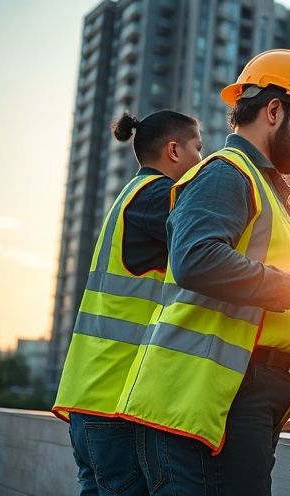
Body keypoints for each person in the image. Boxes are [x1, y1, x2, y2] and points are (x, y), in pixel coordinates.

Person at [119, 49, 290, 496]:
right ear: (274, 110)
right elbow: (196, 259)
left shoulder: (269, 194)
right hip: (211, 402)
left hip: (243, 398)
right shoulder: (225, 175)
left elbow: (266, 314)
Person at [52, 109, 203, 496]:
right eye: (198, 149)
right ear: (174, 150)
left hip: (87, 396)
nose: (202, 160)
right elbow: (211, 227)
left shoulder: (130, 195)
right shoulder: (158, 196)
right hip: (114, 403)